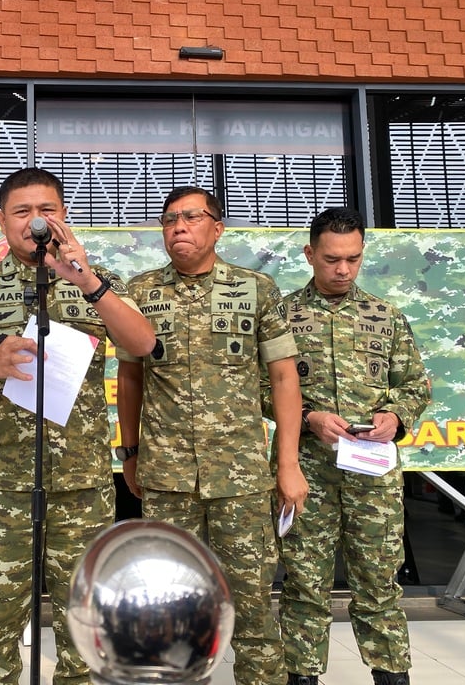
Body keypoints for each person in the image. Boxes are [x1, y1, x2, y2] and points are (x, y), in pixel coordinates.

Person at [0, 167, 157, 685]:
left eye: (48, 210)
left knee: (85, 630)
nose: (36, 221)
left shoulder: (95, 279)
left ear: (63, 217)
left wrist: (87, 281)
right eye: (22, 212)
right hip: (2, 488)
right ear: (2, 221)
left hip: (80, 487)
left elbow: (144, 344)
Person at [116, 185, 308, 685]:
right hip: (167, 476)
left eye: (192, 217)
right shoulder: (140, 293)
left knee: (251, 603)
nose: (178, 227)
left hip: (241, 478)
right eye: (169, 220)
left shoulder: (257, 290)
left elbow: (285, 378)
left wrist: (286, 463)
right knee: (168, 607)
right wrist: (130, 451)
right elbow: (131, 377)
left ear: (217, 227)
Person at [267, 207, 430, 685]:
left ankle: (391, 675)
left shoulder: (387, 316)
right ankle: (302, 676)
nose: (342, 270)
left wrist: (396, 415)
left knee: (379, 583)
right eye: (332, 259)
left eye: (353, 259)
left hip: (373, 474)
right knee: (304, 584)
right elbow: (260, 385)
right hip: (307, 472)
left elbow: (416, 385)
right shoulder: (281, 317)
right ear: (309, 254)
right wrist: (310, 417)